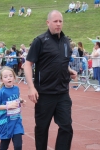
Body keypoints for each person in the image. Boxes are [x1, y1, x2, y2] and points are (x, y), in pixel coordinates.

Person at [24, 10, 77, 150]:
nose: (58, 24)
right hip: (44, 94)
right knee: (42, 129)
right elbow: (27, 64)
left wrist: (69, 70)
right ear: (48, 22)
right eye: (55, 21)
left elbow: (61, 62)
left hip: (63, 94)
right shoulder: (40, 41)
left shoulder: (66, 42)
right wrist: (31, 87)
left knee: (66, 127)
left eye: (60, 21)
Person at [0, 66, 25, 150]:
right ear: (1, 79)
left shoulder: (16, 88)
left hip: (16, 121)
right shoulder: (1, 92)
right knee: (4, 146)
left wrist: (21, 101)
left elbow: (16, 97)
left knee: (18, 146)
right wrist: (8, 106)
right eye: (5, 77)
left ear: (14, 77)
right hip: (6, 123)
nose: (8, 78)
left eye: (11, 76)